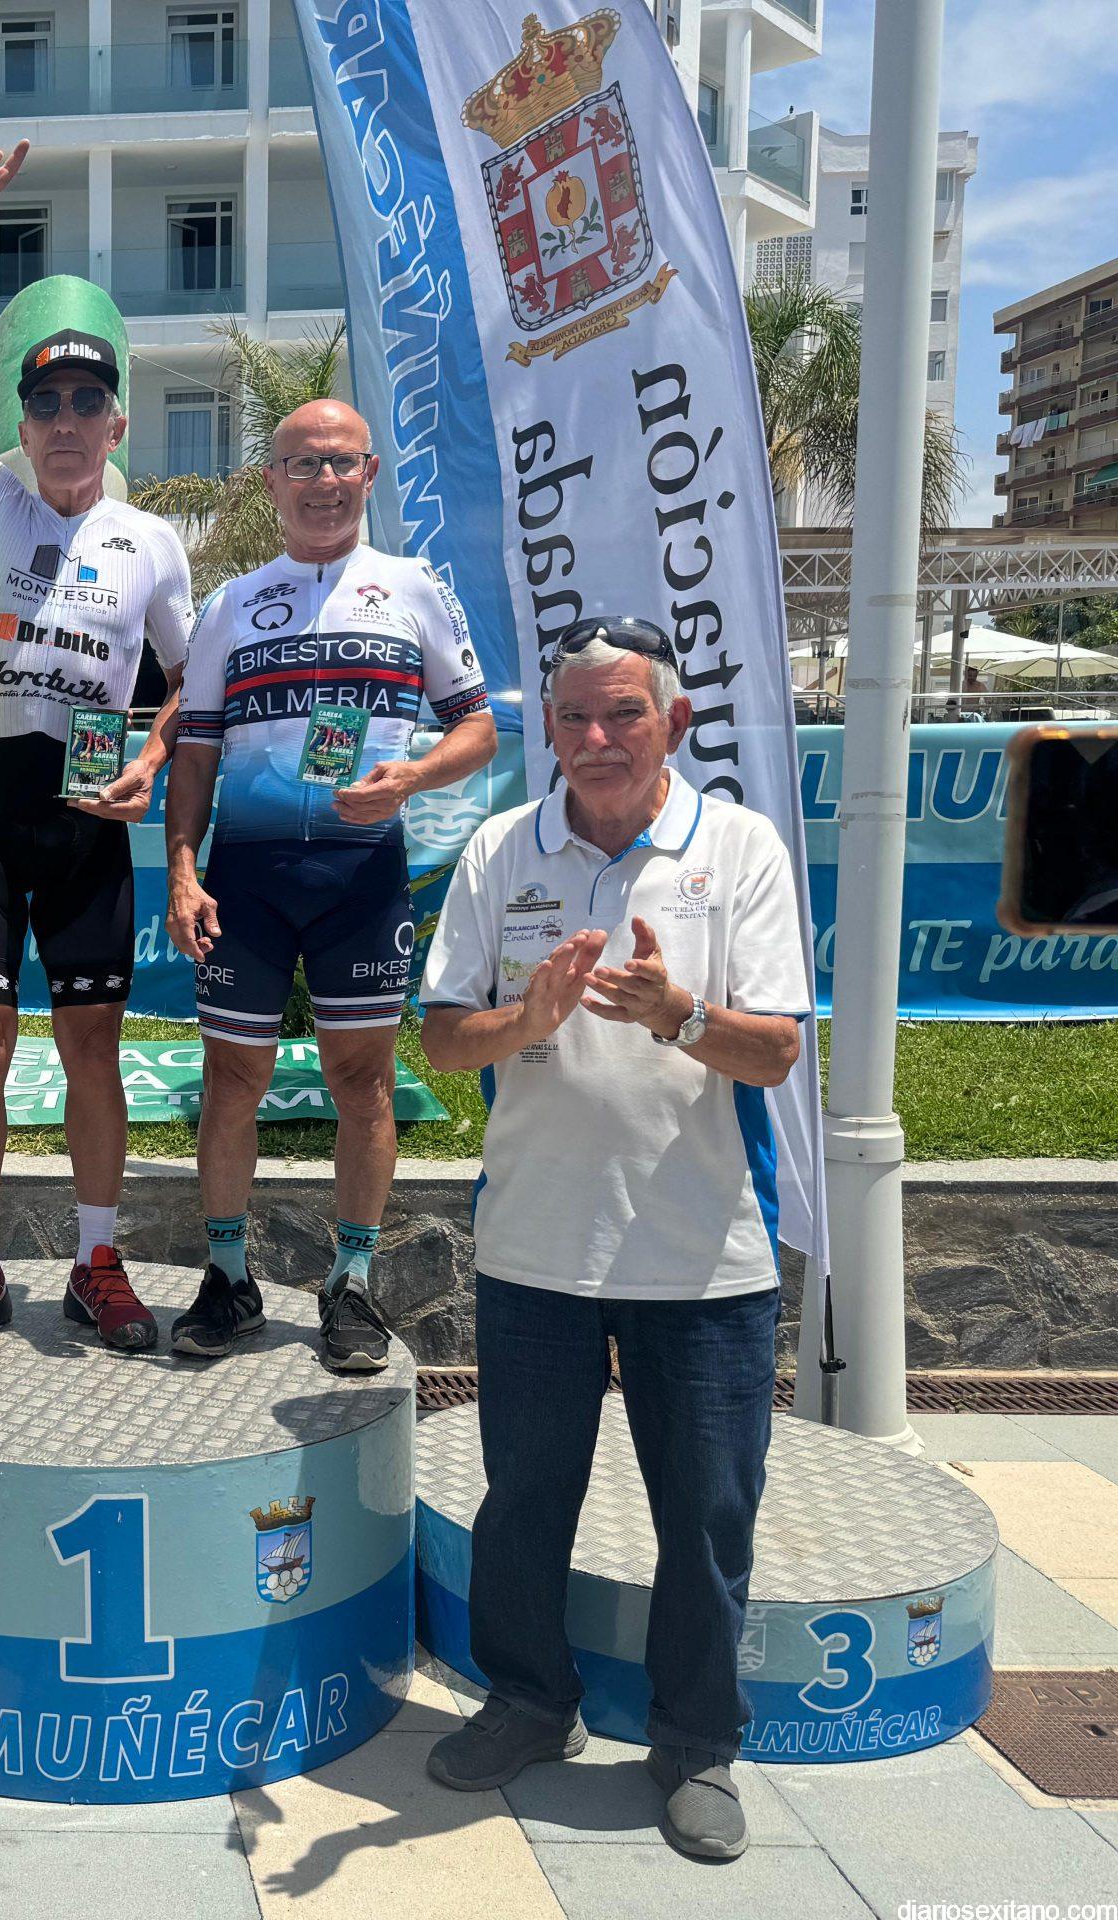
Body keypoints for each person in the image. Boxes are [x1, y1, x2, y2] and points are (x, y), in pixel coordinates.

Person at [416, 618, 811, 1864]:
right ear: (547, 729)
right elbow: (442, 1039)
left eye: (622, 713)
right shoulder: (499, 850)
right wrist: (523, 1017)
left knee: (705, 1516)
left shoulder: (737, 848)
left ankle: (695, 1746)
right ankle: (531, 1702)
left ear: (673, 723)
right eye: (573, 716)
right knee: (525, 1500)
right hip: (533, 1248)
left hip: (703, 1259)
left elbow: (776, 1051)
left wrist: (677, 1014)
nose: (595, 738)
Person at [0, 142, 195, 1354]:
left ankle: (98, 1263)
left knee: (91, 1050)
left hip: (84, 817)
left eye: (85, 403)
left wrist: (152, 760)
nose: (65, 423)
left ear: (117, 422)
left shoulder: (152, 540)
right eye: (45, 404)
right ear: (22, 422)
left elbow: (194, 682)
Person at [164, 399, 497, 1370]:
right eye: (301, 465)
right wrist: (181, 871)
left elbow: (477, 726)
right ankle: (227, 1277)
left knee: (363, 1082)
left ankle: (350, 1285)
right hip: (247, 881)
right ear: (270, 481)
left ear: (369, 473)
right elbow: (194, 752)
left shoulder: (414, 590)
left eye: (340, 463)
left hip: (360, 878)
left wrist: (412, 776)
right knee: (233, 1081)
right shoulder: (230, 605)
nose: (322, 482)